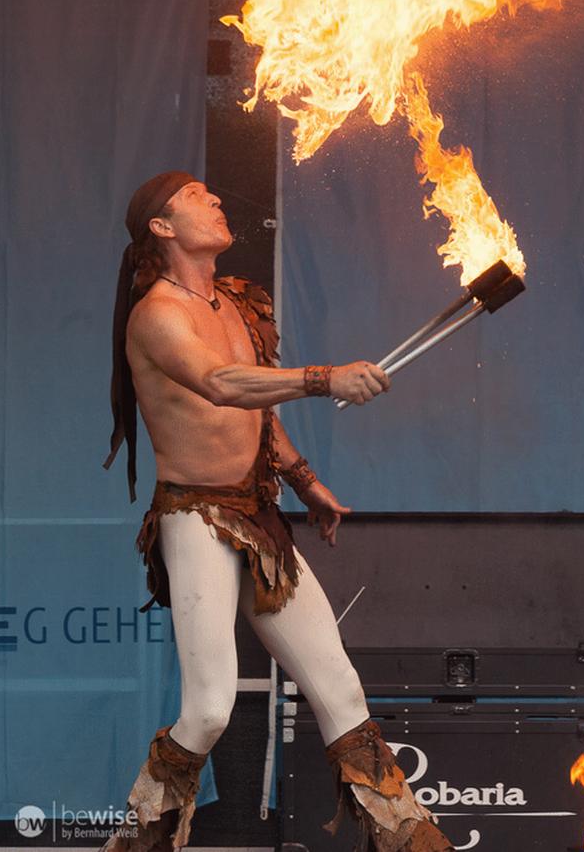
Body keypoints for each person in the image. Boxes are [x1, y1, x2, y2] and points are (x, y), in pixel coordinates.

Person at [100, 171, 453, 852]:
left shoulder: (236, 301)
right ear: (162, 227)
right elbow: (222, 384)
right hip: (197, 517)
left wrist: (303, 477)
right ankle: (134, 843)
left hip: (257, 518)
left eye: (215, 191)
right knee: (206, 711)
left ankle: (410, 840)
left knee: (340, 688)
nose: (218, 198)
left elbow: (259, 413)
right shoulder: (157, 314)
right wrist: (324, 379)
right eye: (199, 196)